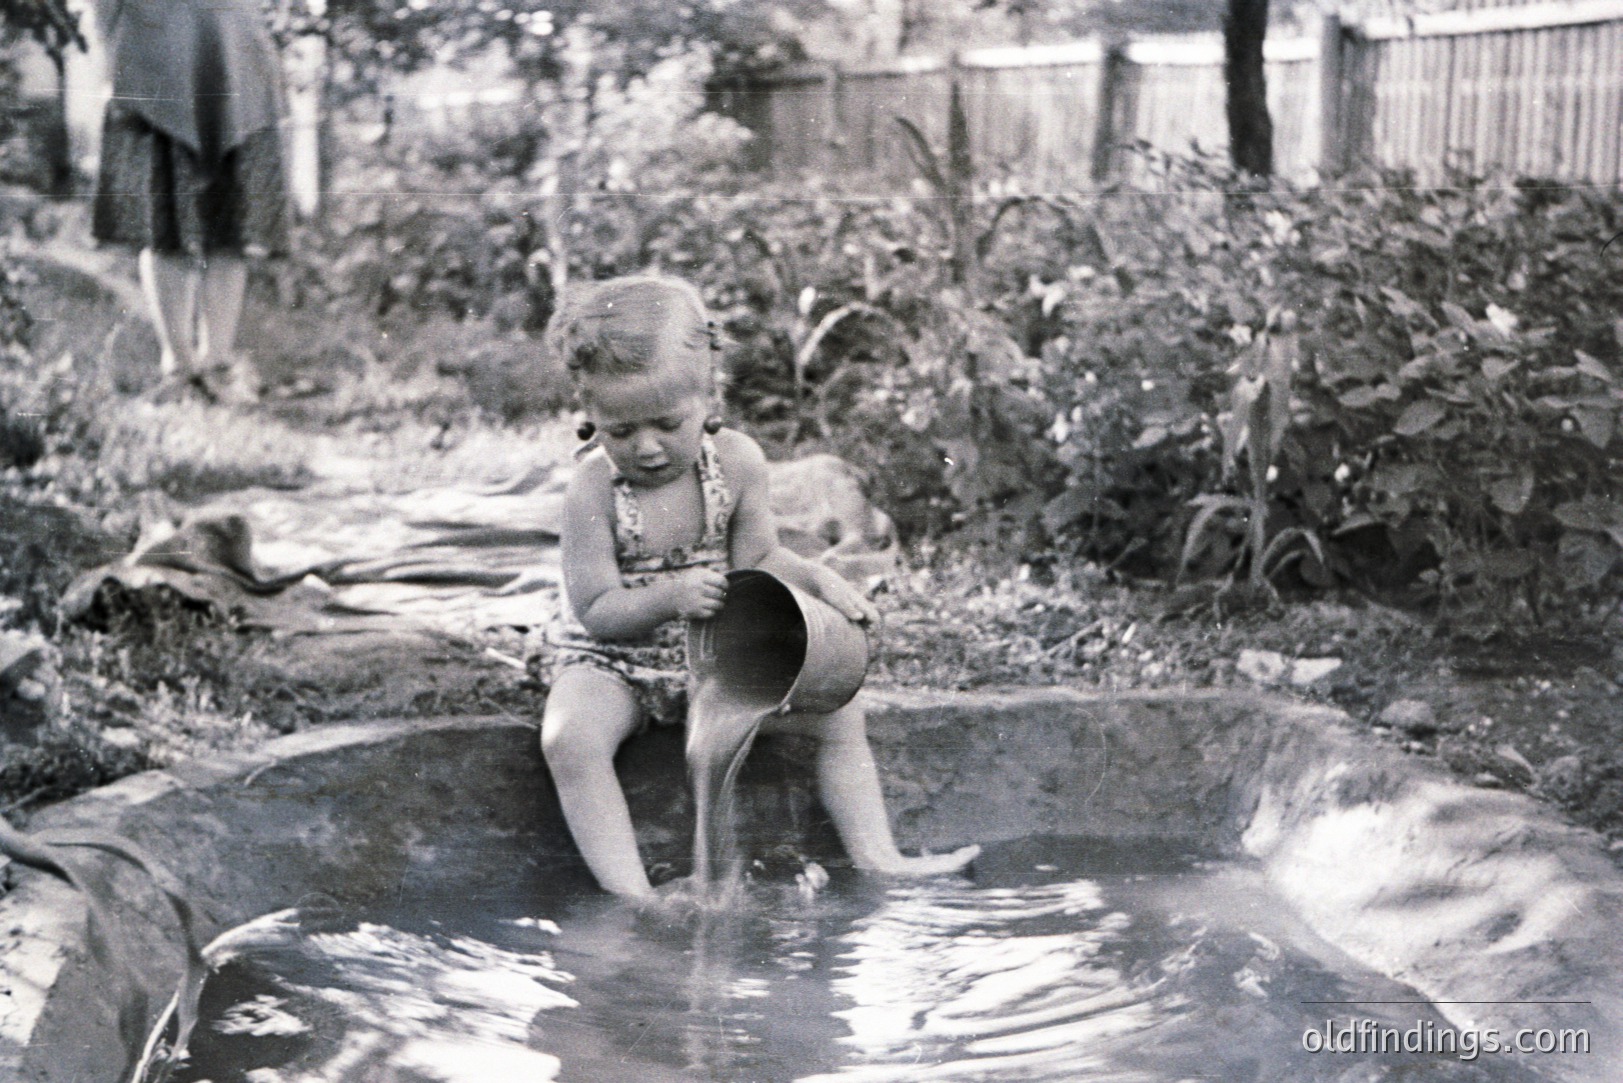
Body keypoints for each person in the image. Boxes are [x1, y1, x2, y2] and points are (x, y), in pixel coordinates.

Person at [542, 275, 979, 898]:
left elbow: (762, 555)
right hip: (614, 660)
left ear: (708, 396)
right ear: (590, 417)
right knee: (570, 739)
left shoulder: (738, 462)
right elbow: (596, 610)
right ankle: (633, 894)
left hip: (714, 655)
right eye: (619, 430)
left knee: (839, 709)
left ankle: (881, 857)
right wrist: (669, 597)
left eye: (667, 422)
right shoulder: (592, 491)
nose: (647, 447)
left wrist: (820, 576)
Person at [92, 0, 290, 401]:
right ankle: (180, 368)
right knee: (165, 227)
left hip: (234, 58)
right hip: (154, 61)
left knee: (231, 228)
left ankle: (217, 364)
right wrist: (114, 50)